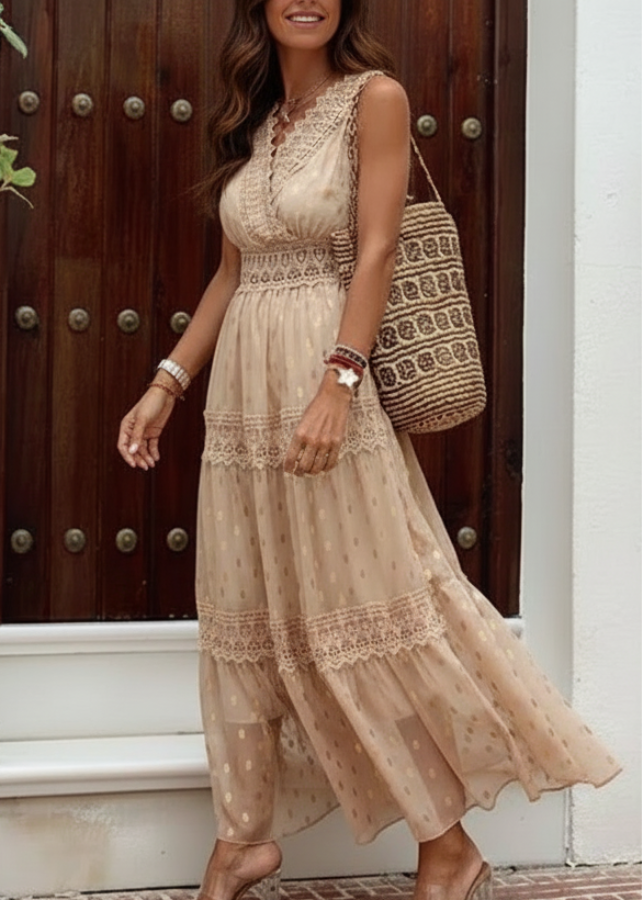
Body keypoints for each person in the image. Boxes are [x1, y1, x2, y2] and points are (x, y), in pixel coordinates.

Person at [117, 1, 620, 898]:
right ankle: (241, 837)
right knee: (245, 611)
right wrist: (167, 384)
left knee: (362, 605)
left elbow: (378, 248)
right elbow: (231, 274)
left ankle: (446, 844)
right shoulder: (259, 121)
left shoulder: (373, 98)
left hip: (324, 371)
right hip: (242, 393)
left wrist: (340, 382)